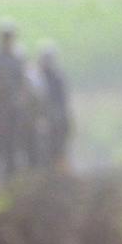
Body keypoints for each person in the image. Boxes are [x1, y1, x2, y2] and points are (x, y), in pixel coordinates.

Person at [0, 20, 34, 179]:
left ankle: (21, 164)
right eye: (5, 37)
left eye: (9, 37)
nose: (7, 39)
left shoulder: (19, 56)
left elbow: (25, 79)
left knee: (23, 130)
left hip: (14, 100)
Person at [34, 41, 73, 169]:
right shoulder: (35, 77)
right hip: (39, 112)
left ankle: (60, 158)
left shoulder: (57, 77)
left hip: (54, 112)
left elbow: (62, 98)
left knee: (60, 130)